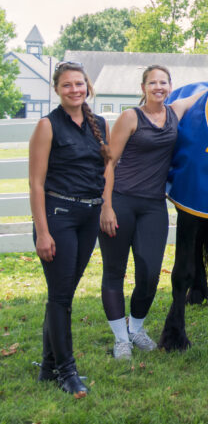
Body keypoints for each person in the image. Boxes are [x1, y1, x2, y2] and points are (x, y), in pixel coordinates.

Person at [98, 65, 190, 360]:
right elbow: (109, 163)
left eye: (163, 82)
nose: (158, 87)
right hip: (121, 201)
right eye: (153, 83)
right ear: (143, 88)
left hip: (153, 206)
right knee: (114, 271)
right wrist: (106, 206)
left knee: (150, 274)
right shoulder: (130, 117)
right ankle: (120, 339)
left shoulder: (174, 112)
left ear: (170, 86)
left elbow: (204, 93)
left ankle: (135, 329)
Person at [28, 61, 109, 397]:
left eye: (79, 84)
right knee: (61, 297)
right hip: (58, 216)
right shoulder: (47, 125)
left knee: (63, 294)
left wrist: (105, 206)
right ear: (57, 89)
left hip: (88, 217)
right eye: (67, 85)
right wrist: (43, 232)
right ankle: (67, 372)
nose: (74, 90)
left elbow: (105, 170)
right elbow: (35, 184)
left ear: (87, 85)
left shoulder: (99, 124)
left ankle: (49, 367)